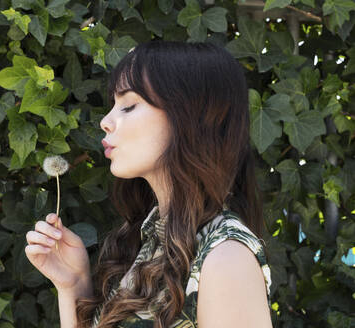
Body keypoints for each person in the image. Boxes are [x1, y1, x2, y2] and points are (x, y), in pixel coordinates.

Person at [25, 40, 273, 328]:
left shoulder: (225, 258)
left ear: (189, 115)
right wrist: (73, 285)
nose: (106, 121)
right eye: (113, 106)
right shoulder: (148, 244)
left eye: (128, 106)